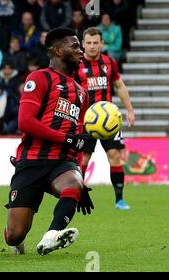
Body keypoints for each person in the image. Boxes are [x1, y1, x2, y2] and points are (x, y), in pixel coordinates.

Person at [4, 27, 94, 256]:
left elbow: (79, 140)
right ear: (57, 50)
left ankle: (51, 236)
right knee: (15, 234)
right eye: (74, 46)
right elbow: (25, 122)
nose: (81, 50)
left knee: (73, 183)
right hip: (32, 160)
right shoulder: (39, 78)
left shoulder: (81, 93)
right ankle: (15, 238)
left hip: (62, 162)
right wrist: (68, 138)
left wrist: (81, 179)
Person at [75, 27, 135, 210]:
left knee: (114, 156)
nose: (92, 46)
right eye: (89, 43)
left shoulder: (109, 62)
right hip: (85, 120)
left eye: (96, 43)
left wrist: (129, 110)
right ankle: (76, 196)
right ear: (83, 44)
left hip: (109, 120)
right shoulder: (76, 64)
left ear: (101, 43)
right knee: (83, 158)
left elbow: (120, 86)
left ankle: (119, 200)